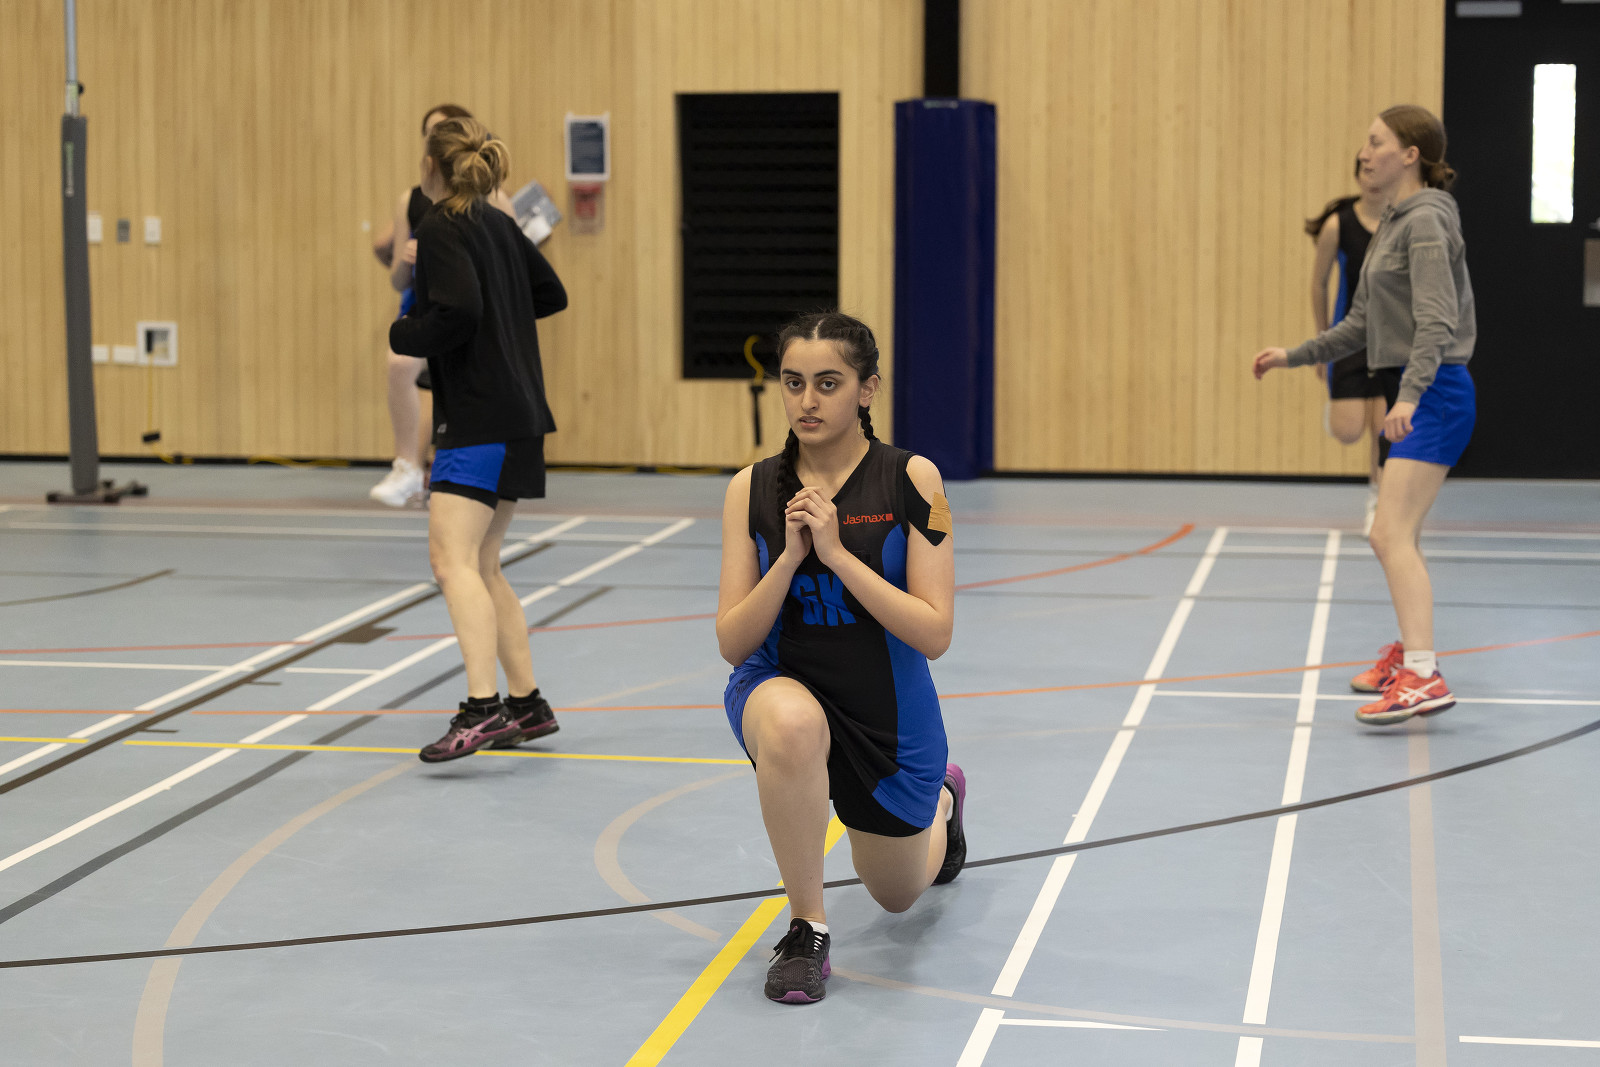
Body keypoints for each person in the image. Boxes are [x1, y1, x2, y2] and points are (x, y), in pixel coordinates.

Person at [715, 311, 967, 1003]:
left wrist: (834, 554)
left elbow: (935, 632)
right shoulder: (750, 489)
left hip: (886, 707)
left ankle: (943, 801)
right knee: (793, 724)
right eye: (793, 382)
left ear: (867, 389)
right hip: (781, 683)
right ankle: (807, 928)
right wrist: (789, 559)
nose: (808, 400)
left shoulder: (914, 479)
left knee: (897, 893)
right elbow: (733, 642)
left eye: (828, 383)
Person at [1253, 105, 1475, 726]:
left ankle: (1423, 678)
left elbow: (1437, 320)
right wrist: (1295, 355)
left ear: (1410, 155)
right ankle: (1412, 655)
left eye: (1377, 142)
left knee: (1387, 533)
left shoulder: (1425, 220)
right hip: (1417, 389)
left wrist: (1409, 397)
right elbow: (1359, 323)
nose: (1364, 152)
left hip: (1434, 393)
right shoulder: (1396, 220)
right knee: (1402, 534)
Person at [390, 116, 568, 761]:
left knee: (451, 562)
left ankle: (481, 709)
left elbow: (459, 311)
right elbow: (550, 292)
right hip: (518, 416)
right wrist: (503, 311)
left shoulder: (442, 226)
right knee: (484, 564)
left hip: (478, 420)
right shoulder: (497, 223)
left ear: (431, 167)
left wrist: (406, 334)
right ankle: (527, 704)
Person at [372, 104, 518, 507]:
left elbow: (517, 264)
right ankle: (407, 465)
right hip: (429, 311)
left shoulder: (493, 201)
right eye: (428, 135)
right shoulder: (412, 201)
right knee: (400, 362)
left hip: (473, 315)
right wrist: (407, 262)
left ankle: (455, 467)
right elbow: (397, 280)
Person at [1306, 156, 1391, 535]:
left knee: (1383, 429)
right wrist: (1323, 340)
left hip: (1390, 341)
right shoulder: (1338, 225)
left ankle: (1378, 500)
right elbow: (1319, 283)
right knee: (1350, 429)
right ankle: (1344, 409)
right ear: (1356, 176)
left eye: (1378, 171)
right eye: (1365, 171)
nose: (1372, 178)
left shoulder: (1402, 222)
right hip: (1349, 338)